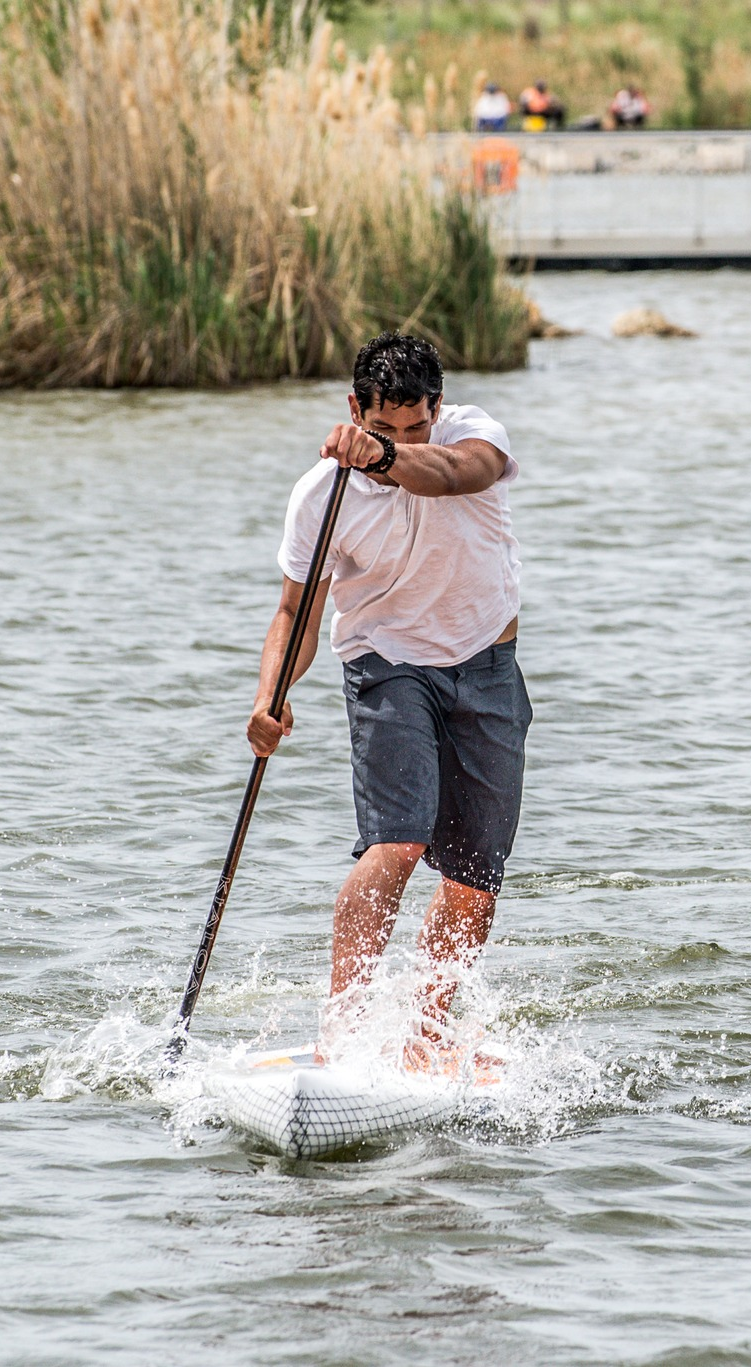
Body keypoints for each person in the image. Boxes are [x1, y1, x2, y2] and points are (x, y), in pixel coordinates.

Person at [250, 332, 530, 1062]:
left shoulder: (476, 440)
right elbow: (296, 611)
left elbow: (448, 474)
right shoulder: (322, 495)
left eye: (416, 425)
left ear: (439, 408)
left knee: (473, 882)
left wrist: (383, 456)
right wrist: (270, 696)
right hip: (387, 667)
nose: (403, 440)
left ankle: (424, 1037)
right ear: (354, 408)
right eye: (383, 429)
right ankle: (340, 1037)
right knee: (398, 842)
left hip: (487, 665)